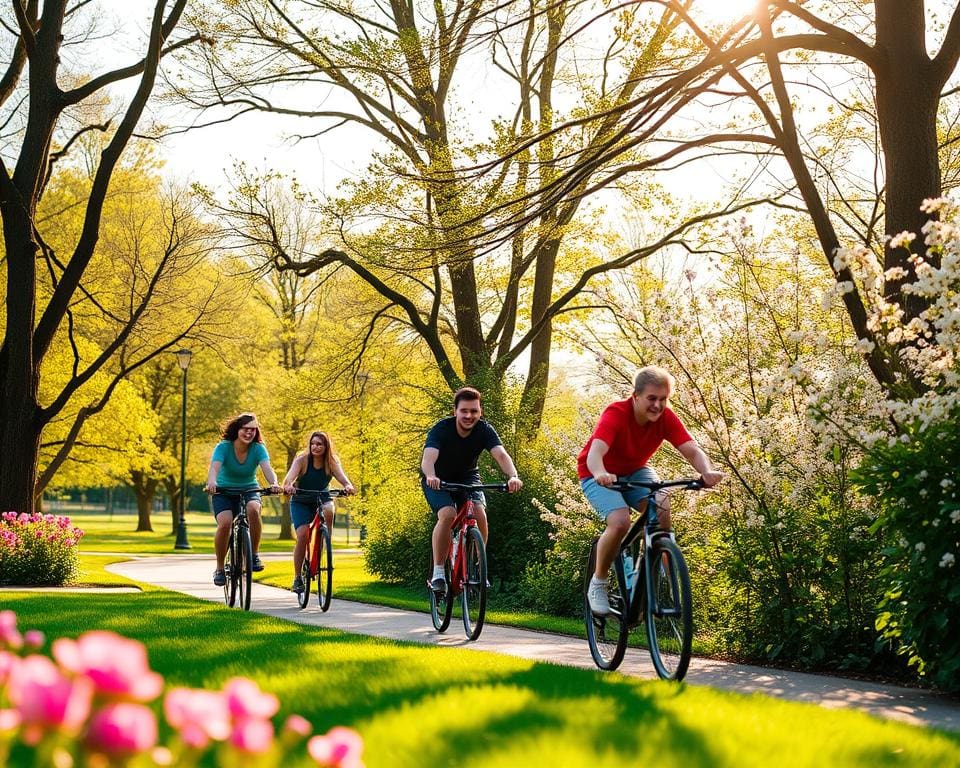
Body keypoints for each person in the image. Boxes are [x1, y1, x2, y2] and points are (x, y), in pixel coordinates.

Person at [579, 366, 723, 616]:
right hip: (597, 474)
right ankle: (599, 581)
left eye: (663, 399)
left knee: (662, 503)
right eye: (651, 398)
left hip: (635, 470)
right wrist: (601, 473)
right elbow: (595, 454)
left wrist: (706, 472)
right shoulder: (616, 413)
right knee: (620, 521)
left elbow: (692, 450)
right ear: (635, 396)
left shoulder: (666, 418)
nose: (657, 405)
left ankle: (656, 566)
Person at [421, 386, 523, 595]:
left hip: (468, 477)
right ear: (455, 411)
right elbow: (428, 457)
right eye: (464, 411)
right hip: (438, 479)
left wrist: (513, 476)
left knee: (479, 513)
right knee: (447, 514)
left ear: (480, 412)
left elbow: (501, 455)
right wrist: (431, 476)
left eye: (474, 411)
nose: (469, 416)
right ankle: (439, 572)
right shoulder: (441, 429)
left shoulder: (484, 430)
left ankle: (478, 566)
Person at [204, 412, 281, 586]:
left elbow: (267, 469)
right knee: (225, 524)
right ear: (237, 430)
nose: (249, 433)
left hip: (249, 489)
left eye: (253, 430)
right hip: (223, 491)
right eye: (245, 429)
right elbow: (214, 468)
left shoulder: (258, 448)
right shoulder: (223, 447)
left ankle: (253, 555)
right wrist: (211, 482)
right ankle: (220, 568)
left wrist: (274, 483)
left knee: (253, 509)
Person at [282, 431, 356, 592]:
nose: (315, 447)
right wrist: (288, 486)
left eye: (319, 444)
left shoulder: (332, 461)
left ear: (326, 446)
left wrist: (348, 486)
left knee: (329, 510)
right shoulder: (302, 459)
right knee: (302, 535)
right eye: (313, 444)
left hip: (322, 497)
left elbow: (343, 479)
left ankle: (324, 541)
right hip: (301, 500)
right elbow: (289, 479)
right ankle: (297, 578)